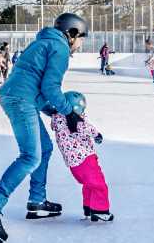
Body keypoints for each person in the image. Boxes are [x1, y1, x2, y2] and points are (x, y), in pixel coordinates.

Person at [0, 13, 86, 243]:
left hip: (19, 97)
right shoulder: (60, 49)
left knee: (44, 148)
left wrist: (51, 110)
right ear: (72, 34)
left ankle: (37, 201)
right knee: (31, 156)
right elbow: (51, 87)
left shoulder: (42, 43)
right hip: (21, 100)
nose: (81, 44)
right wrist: (68, 111)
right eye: (81, 37)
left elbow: (34, 84)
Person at [48, 91, 112, 222]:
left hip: (74, 163)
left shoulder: (58, 119)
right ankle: (100, 210)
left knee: (89, 184)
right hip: (85, 157)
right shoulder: (74, 120)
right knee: (98, 184)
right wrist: (97, 135)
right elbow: (87, 128)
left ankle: (90, 208)